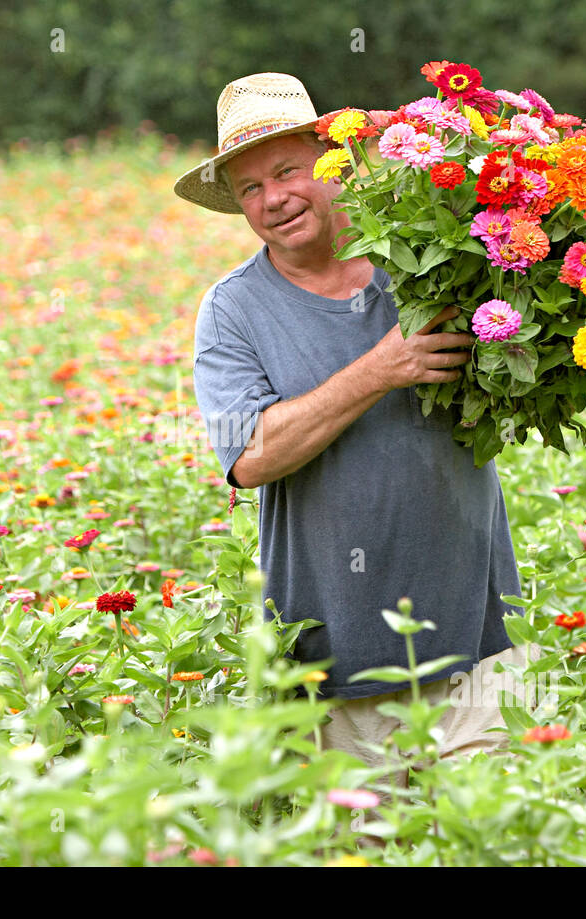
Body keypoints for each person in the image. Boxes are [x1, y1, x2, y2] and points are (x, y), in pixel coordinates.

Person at [174, 73, 526, 776]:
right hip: (335, 662)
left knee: (493, 841)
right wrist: (381, 368)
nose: (273, 198)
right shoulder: (233, 310)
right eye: (249, 188)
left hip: (477, 644)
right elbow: (248, 456)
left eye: (286, 170)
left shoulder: (430, 258)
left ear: (330, 163)